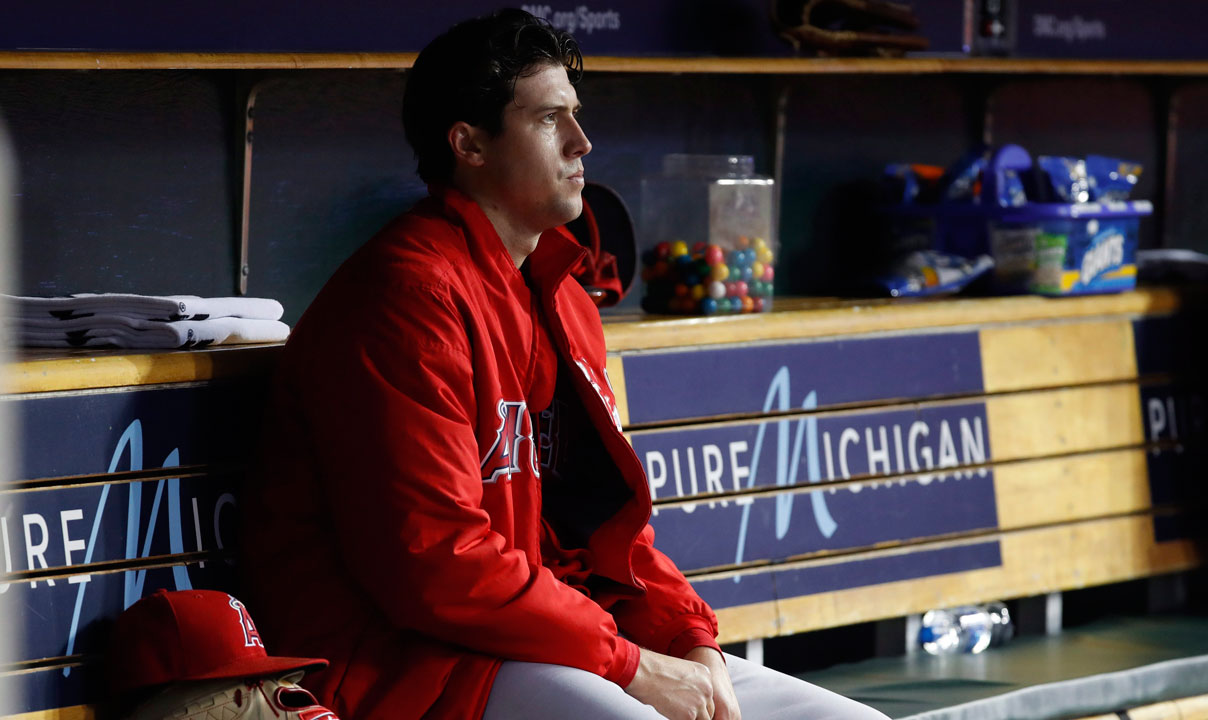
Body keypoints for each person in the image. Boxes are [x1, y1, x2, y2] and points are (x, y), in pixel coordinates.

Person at [241, 9, 889, 720]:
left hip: (547, 639)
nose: (584, 142)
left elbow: (609, 529)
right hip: (410, 665)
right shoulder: (406, 296)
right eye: (551, 120)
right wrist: (632, 665)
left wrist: (686, 638)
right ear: (470, 145)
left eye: (575, 116)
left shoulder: (564, 297)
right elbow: (435, 565)